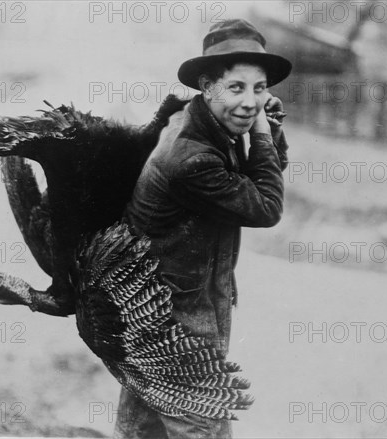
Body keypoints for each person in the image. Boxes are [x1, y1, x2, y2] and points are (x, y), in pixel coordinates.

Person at [115, 19, 292, 439]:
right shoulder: (190, 155)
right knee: (204, 431)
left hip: (161, 306)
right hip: (177, 324)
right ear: (207, 86)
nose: (251, 102)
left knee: (144, 431)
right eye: (236, 88)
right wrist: (265, 134)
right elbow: (265, 206)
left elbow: (252, 183)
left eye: (260, 87)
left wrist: (271, 133)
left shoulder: (201, 124)